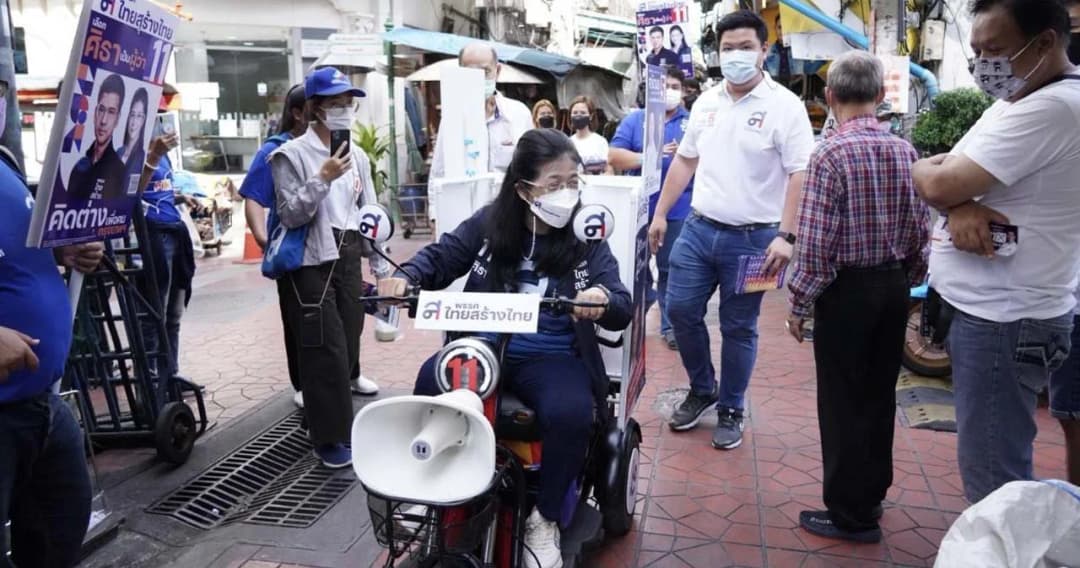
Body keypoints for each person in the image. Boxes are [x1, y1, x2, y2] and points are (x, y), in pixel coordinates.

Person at [378, 129, 631, 568]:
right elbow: (441, 257)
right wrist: (408, 277)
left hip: (550, 355)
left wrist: (602, 301)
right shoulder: (490, 224)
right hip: (483, 345)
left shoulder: (586, 236)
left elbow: (621, 302)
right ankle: (427, 491)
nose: (567, 193)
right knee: (428, 378)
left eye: (574, 182)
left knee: (570, 412)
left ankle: (546, 517)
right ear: (523, 188)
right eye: (554, 184)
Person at [911, 0, 1080, 504]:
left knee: (993, 480)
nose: (984, 64)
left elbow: (937, 177)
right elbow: (937, 175)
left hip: (1005, 320)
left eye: (995, 50)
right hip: (997, 313)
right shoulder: (1017, 99)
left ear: (1046, 42)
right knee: (992, 463)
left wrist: (946, 192)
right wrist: (957, 203)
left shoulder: (1053, 108)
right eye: (977, 52)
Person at [648, 10, 814, 449]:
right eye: (727, 48)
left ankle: (732, 406)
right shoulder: (705, 102)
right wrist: (662, 213)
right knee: (680, 310)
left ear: (765, 50)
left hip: (758, 240)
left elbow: (800, 173)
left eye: (745, 47)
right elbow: (685, 160)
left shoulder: (786, 107)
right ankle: (703, 388)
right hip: (699, 230)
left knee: (739, 326)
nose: (736, 55)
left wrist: (787, 235)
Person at [786, 51, 930, 543]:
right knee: (877, 397)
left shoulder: (828, 154)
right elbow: (919, 231)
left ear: (829, 97)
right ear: (882, 97)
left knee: (842, 402)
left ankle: (849, 515)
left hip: (846, 293)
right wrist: (906, 276)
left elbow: (816, 243)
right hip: (892, 288)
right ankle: (870, 497)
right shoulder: (905, 151)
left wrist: (799, 302)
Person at [1, 76, 104, 564]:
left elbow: (17, 254)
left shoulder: (5, 167)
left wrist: (63, 251)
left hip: (38, 406)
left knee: (58, 524)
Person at [272, 67, 390, 469]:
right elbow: (290, 214)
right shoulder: (289, 155)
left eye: (348, 104)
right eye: (335, 104)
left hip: (348, 252)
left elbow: (367, 210)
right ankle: (331, 437)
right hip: (311, 260)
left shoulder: (356, 153)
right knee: (326, 349)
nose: (344, 111)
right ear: (314, 110)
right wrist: (321, 178)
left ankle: (330, 421)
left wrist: (378, 260)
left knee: (350, 340)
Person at [609, 65, 694, 350]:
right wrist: (649, 156)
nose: (668, 91)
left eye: (674, 86)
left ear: (683, 92)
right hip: (640, 210)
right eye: (664, 86)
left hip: (680, 211)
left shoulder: (692, 123)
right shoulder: (636, 120)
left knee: (673, 270)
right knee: (637, 269)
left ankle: (670, 328)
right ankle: (632, 322)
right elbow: (615, 156)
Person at [138, 96, 199, 384]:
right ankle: (150, 381)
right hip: (151, 237)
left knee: (173, 312)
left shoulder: (164, 154)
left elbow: (156, 190)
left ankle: (170, 374)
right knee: (154, 313)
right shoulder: (133, 150)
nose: (159, 122)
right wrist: (151, 155)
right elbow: (127, 195)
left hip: (174, 232)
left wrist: (180, 197)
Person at [430, 42, 533, 177]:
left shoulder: (519, 114)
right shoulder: (452, 118)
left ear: (498, 71)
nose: (478, 78)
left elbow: (532, 166)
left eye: (485, 71)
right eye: (471, 72)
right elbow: (438, 172)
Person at [69, 73, 128, 201]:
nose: (104, 120)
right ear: (95, 113)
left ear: (117, 119)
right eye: (101, 110)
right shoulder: (79, 166)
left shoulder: (119, 171)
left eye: (111, 112)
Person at [765, 14, 824, 93]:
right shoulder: (767, 53)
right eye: (779, 27)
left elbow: (809, 69)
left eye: (786, 28)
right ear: (774, 28)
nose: (782, 31)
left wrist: (824, 57)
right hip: (774, 93)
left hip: (796, 93)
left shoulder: (799, 50)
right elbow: (764, 78)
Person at [567, 96, 611, 175]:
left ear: (591, 116)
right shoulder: (567, 143)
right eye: (575, 113)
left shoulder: (600, 142)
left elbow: (608, 168)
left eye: (583, 113)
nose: (578, 115)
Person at [118, 87, 148, 176]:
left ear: (143, 120)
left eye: (139, 116)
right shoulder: (118, 152)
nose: (134, 122)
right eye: (132, 115)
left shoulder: (143, 158)